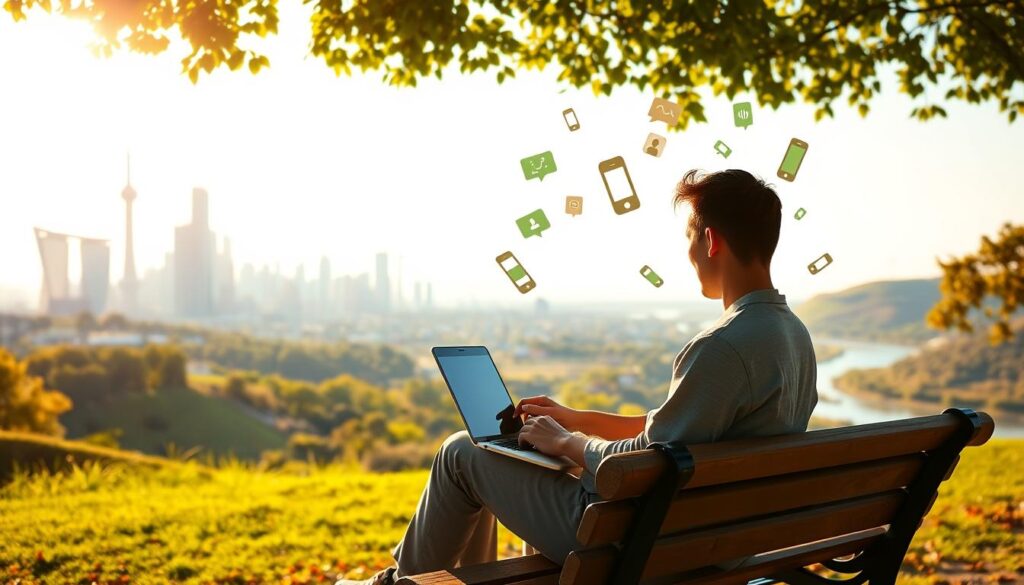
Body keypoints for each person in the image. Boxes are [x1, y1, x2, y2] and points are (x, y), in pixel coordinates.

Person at [337, 168, 819, 585]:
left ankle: (402, 583)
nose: (689, 252)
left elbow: (645, 465)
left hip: (636, 541)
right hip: (713, 540)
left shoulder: (723, 347)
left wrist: (568, 443)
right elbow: (672, 438)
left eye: (690, 237)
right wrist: (572, 419)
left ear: (710, 240)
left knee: (461, 451)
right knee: (506, 454)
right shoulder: (792, 338)